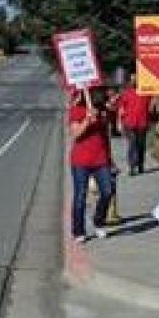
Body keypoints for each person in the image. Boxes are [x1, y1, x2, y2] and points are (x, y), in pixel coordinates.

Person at [68, 89, 114, 242]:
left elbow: (105, 136)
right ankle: (78, 231)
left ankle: (98, 221)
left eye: (99, 93)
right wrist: (87, 120)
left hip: (101, 159)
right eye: (95, 93)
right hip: (81, 160)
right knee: (80, 196)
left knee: (107, 191)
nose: (99, 95)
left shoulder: (103, 111)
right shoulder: (76, 110)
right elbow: (75, 134)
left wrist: (110, 158)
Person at [117, 74, 153, 175]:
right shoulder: (126, 93)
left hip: (142, 122)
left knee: (141, 145)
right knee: (132, 143)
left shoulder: (146, 92)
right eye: (132, 79)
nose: (134, 81)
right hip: (129, 123)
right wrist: (119, 122)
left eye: (136, 79)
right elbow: (121, 108)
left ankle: (141, 164)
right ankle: (132, 166)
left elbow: (152, 102)